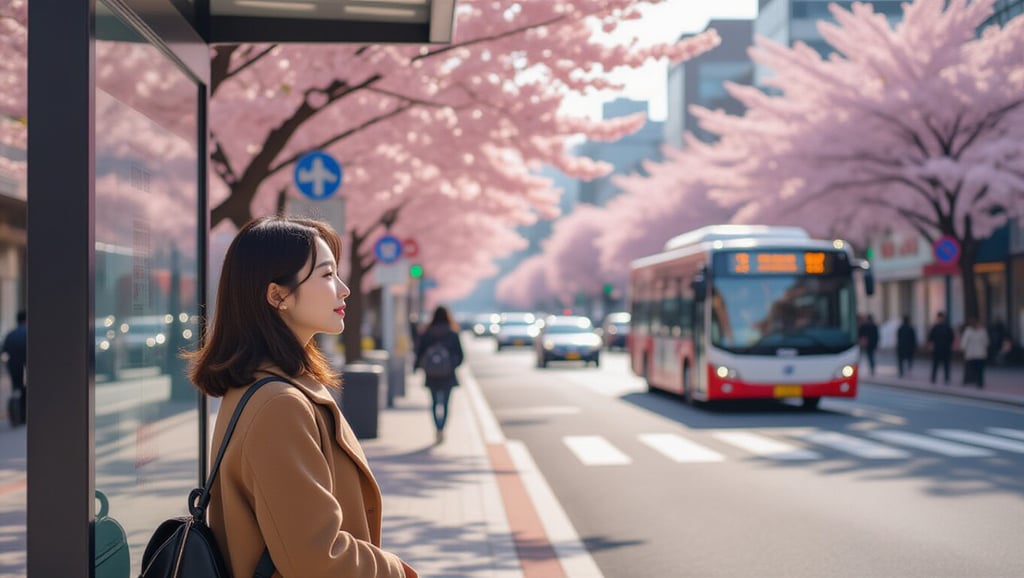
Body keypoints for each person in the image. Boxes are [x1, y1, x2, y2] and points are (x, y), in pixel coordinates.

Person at [187, 216, 418, 578]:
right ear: (277, 294)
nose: (344, 289)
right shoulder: (280, 404)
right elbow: (317, 559)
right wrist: (398, 572)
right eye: (327, 276)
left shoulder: (264, 386)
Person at [414, 305, 464, 444]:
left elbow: (418, 354)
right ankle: (442, 429)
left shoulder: (427, 333)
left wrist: (421, 368)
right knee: (446, 405)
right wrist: (450, 366)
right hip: (448, 376)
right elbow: (461, 356)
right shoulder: (452, 334)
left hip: (431, 376)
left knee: (435, 403)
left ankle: (437, 428)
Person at [2, 310, 26, 426]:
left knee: (17, 389)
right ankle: (25, 414)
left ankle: (18, 415)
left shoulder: (10, 335)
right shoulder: (30, 333)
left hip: (14, 367)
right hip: (28, 367)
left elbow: (4, 352)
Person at [960, 318, 989, 388]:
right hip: (971, 353)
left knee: (980, 369)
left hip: (979, 353)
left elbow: (986, 342)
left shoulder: (982, 331)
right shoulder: (969, 331)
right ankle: (969, 380)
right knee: (970, 368)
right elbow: (964, 342)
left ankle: (980, 382)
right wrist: (963, 349)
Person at [927, 311, 954, 384]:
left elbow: (952, 338)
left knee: (946, 365)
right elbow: (930, 338)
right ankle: (933, 378)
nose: (941, 319)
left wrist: (950, 346)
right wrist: (930, 346)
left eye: (942, 318)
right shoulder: (935, 328)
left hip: (946, 349)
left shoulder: (947, 328)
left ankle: (947, 379)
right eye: (939, 318)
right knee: (935, 365)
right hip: (937, 349)